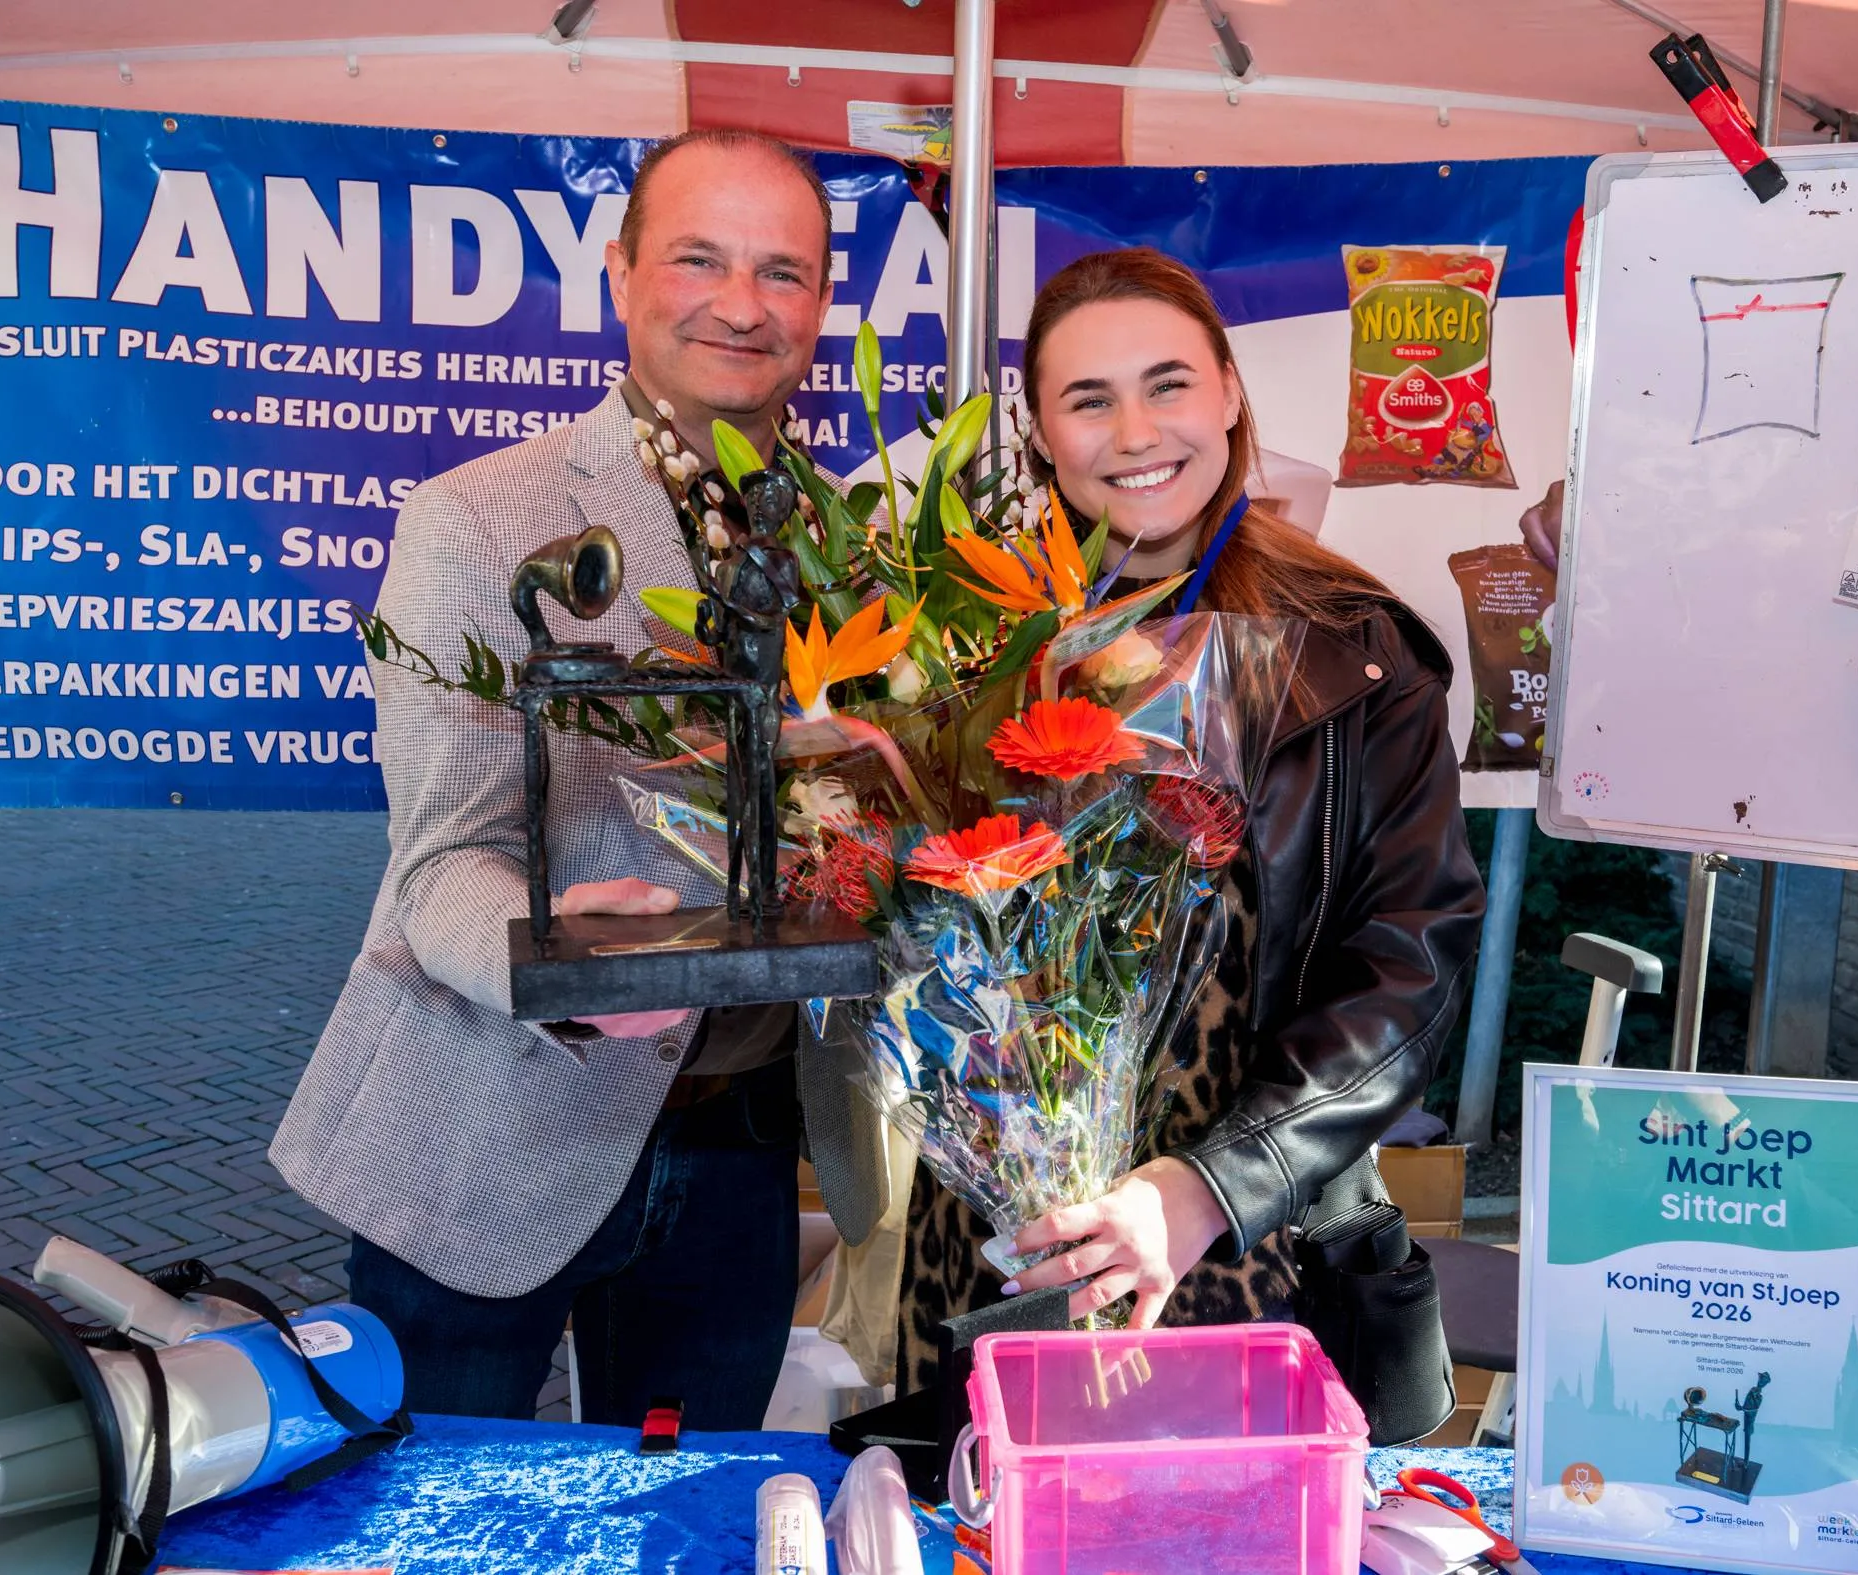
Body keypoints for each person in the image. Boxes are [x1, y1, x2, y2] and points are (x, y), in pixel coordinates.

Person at [272, 129, 837, 1427]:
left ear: (819, 304)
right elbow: (439, 863)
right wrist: (570, 959)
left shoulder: (854, 534)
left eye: (782, 270)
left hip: (739, 1138)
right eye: (699, 257)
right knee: (445, 1523)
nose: (741, 304)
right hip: (490, 1117)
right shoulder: (478, 517)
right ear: (620, 272)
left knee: (676, 1528)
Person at [896, 248, 1490, 1387]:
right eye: (1088, 399)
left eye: (1166, 384)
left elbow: (1410, 974)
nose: (1134, 432)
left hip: (1246, 1239)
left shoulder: (1356, 651)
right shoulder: (962, 641)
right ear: (1040, 433)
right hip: (1000, 1242)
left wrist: (1204, 1188)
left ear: (1226, 391)